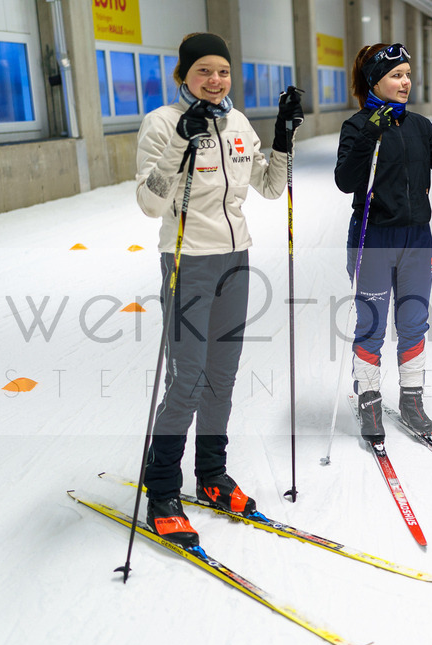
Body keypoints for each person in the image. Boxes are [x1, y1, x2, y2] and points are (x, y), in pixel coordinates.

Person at [135, 32, 303, 546]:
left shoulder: (236, 123)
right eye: (204, 70)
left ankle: (210, 475)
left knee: (222, 374)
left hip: (236, 260)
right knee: (186, 377)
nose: (214, 80)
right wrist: (181, 143)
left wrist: (284, 137)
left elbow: (271, 187)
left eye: (223, 71)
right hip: (187, 260)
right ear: (182, 75)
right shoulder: (162, 122)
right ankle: (162, 485)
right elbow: (149, 201)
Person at [335, 43, 432, 443]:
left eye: (408, 74)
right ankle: (370, 400)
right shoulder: (358, 126)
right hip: (372, 237)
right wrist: (369, 136)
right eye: (396, 75)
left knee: (413, 323)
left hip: (416, 239)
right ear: (375, 80)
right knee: (372, 324)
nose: (405, 81)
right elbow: (345, 181)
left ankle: (411, 400)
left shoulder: (419, 127)